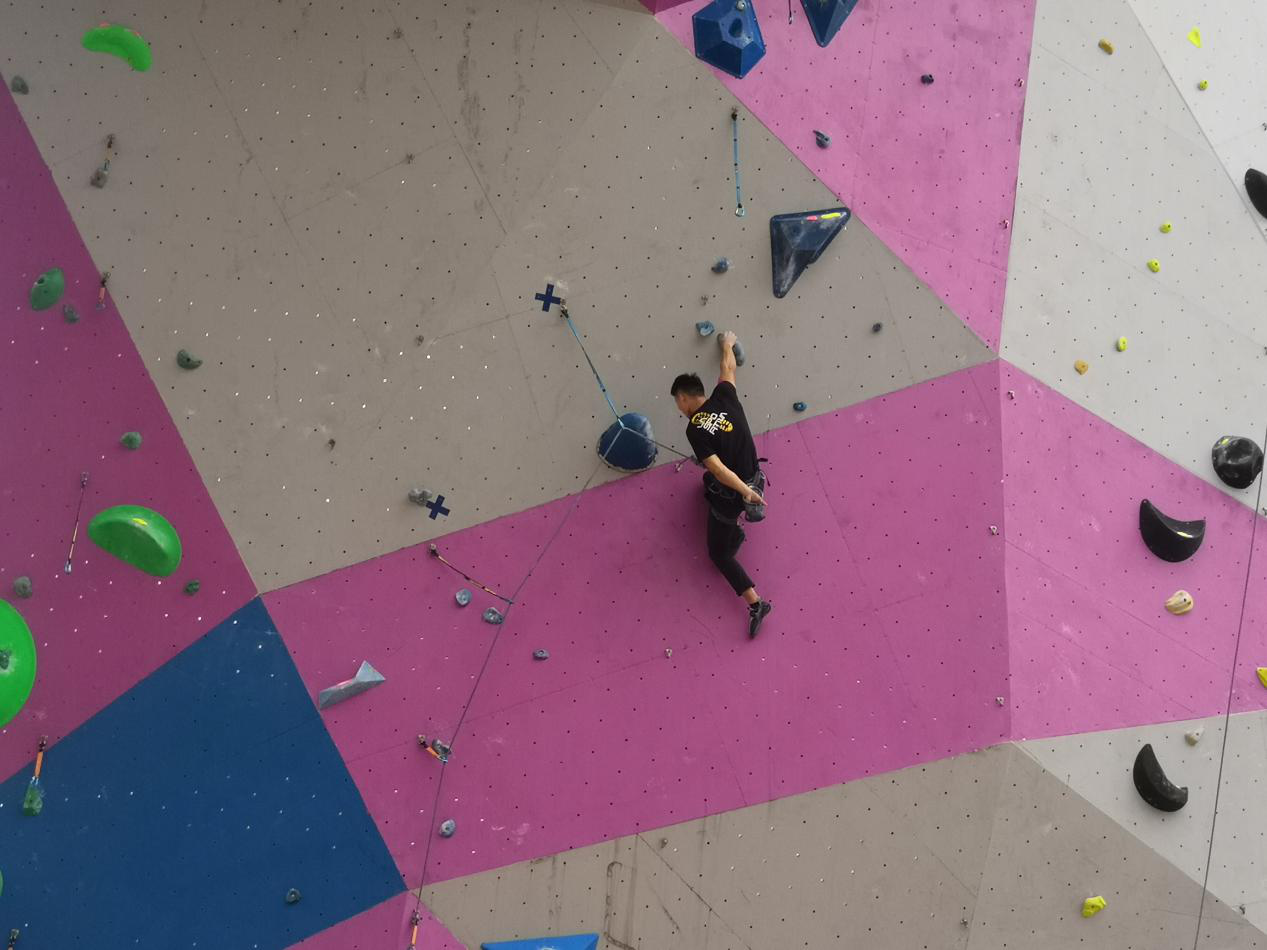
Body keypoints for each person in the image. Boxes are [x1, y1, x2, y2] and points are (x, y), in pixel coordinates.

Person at [672, 331, 773, 638]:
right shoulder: (724, 396)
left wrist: (745, 493)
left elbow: (717, 469)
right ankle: (735, 527)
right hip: (754, 475)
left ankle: (756, 603)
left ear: (684, 398)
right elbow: (728, 367)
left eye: (678, 402)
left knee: (718, 554)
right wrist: (727, 343)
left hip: (734, 494)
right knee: (706, 479)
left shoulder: (694, 429)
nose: (679, 408)